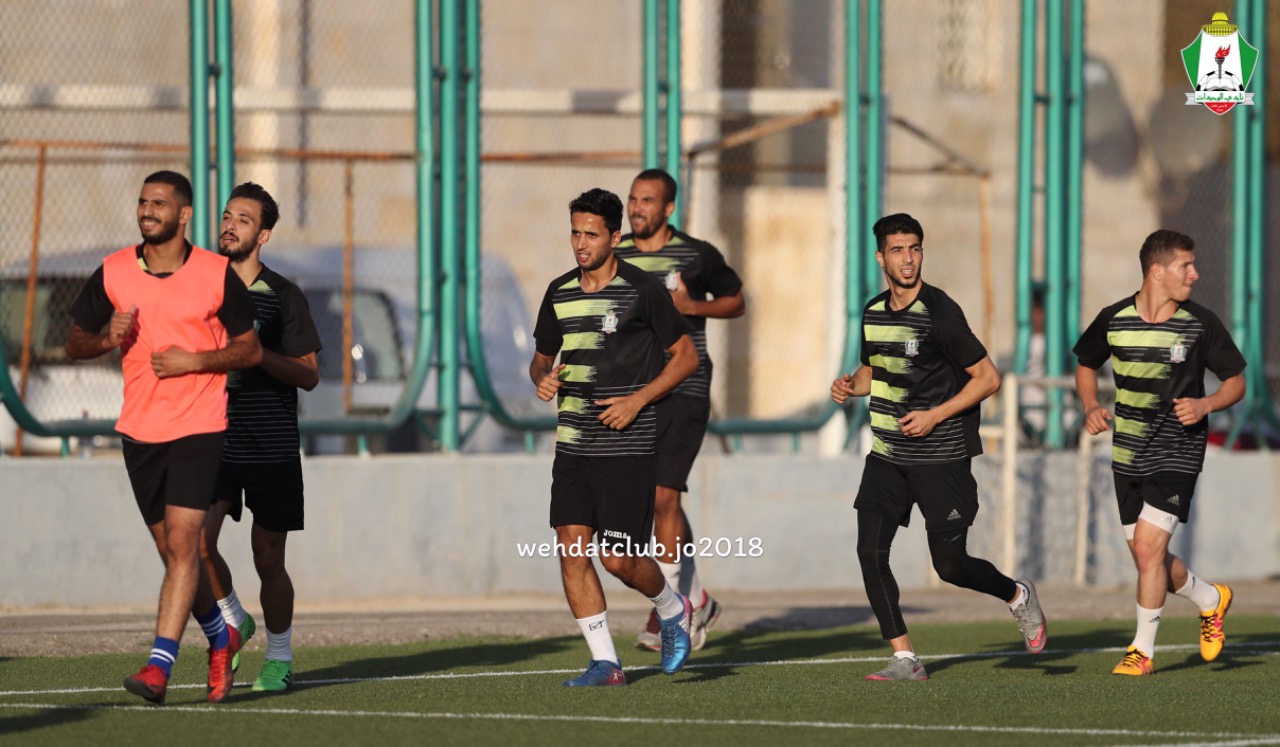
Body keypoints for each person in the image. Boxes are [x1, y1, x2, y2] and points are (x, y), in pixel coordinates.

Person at [65, 170, 262, 704]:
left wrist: (194, 361)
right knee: (170, 549)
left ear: (184, 214)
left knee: (182, 543)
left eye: (159, 203)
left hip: (200, 425)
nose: (147, 210)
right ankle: (221, 635)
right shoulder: (113, 271)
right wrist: (106, 339)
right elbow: (74, 341)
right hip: (140, 430)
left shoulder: (216, 274)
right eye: (143, 202)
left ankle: (159, 666)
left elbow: (250, 350)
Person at [830, 213, 1047, 681]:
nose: (908, 259)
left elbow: (988, 378)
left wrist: (934, 415)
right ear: (880, 258)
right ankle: (905, 658)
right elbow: (875, 370)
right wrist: (850, 385)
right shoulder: (872, 312)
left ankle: (1017, 595)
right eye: (898, 250)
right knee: (870, 551)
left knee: (951, 566)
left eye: (915, 248)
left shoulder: (941, 313)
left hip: (940, 456)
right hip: (887, 455)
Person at [530, 187, 699, 686]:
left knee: (619, 559)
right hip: (573, 445)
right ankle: (605, 662)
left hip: (627, 447)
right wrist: (542, 377)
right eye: (575, 233)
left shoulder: (643, 290)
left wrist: (638, 400)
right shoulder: (559, 292)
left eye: (591, 234)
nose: (581, 243)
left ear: (615, 237)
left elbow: (686, 357)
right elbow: (542, 358)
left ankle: (672, 608)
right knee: (571, 549)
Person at [1074, 229, 1244, 676]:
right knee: (1149, 559)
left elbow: (1236, 382)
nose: (1195, 273)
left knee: (1149, 550)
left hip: (1178, 451)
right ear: (1156, 271)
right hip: (1128, 453)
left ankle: (1142, 652)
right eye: (1185, 265)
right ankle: (1211, 598)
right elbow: (1086, 363)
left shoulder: (1201, 323)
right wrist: (1090, 405)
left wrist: (1205, 405)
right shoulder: (1113, 319)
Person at [614, 168, 745, 652]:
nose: (637, 208)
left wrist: (694, 307)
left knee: (664, 497)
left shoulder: (696, 254)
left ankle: (669, 611)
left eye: (647, 201)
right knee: (654, 500)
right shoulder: (618, 255)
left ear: (669, 208)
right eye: (633, 199)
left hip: (687, 387)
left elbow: (736, 301)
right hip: (636, 391)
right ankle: (697, 599)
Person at [198, 182, 322, 692]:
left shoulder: (284, 294)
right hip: (212, 441)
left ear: (263, 235)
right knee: (196, 542)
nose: (230, 226)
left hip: (271, 447)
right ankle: (233, 618)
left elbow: (309, 372)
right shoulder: (200, 285)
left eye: (243, 220)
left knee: (268, 559)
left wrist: (259, 355)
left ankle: (279, 656)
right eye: (227, 216)